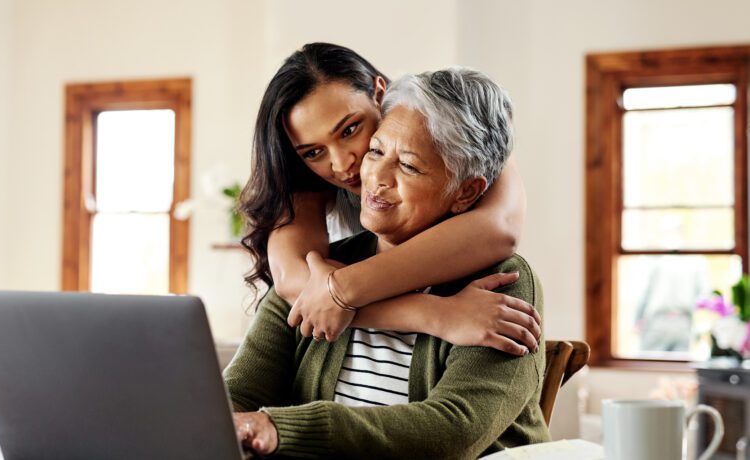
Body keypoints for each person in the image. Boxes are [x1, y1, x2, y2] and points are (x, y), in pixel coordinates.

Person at [226, 68, 550, 459]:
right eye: (376, 151)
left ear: (465, 192)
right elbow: (234, 398)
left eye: (409, 166)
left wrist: (282, 429)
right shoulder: (322, 269)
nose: (373, 176)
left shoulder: (506, 282)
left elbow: (453, 432)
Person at [240, 43, 539, 354]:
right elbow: (294, 281)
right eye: (314, 152)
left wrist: (342, 289)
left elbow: (498, 229)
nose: (343, 164)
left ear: (379, 94)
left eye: (349, 130)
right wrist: (435, 314)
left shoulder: (451, 126)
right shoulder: (305, 180)